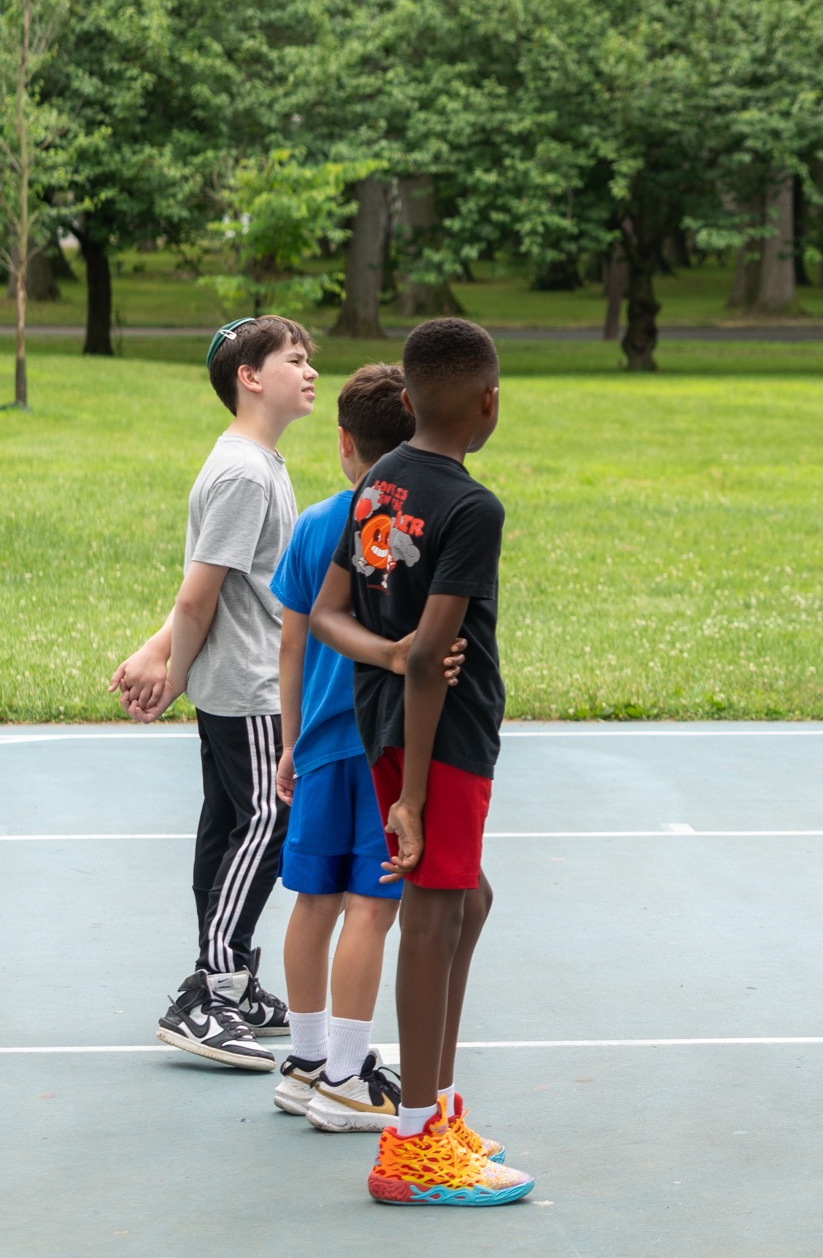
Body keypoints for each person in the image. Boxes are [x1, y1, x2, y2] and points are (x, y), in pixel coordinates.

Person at [310, 318, 532, 1207]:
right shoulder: (473, 507)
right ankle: (410, 1149)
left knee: (467, 898)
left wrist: (389, 654)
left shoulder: (375, 482)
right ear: (488, 404)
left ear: (403, 401)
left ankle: (434, 1109)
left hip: (387, 727)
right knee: (435, 913)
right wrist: (411, 800)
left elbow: (327, 616)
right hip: (442, 737)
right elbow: (436, 653)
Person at [113, 316, 315, 1071]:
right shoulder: (243, 472)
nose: (309, 371)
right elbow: (200, 597)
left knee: (232, 822)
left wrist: (160, 653)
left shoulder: (256, 462)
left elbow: (213, 586)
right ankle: (213, 989)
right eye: (293, 359)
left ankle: (228, 980)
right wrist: (169, 671)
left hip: (241, 680)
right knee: (271, 817)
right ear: (249, 377)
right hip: (254, 686)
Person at [269, 363, 466, 1133]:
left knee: (312, 901)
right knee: (370, 909)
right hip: (377, 740)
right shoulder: (409, 529)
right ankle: (347, 1078)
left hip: (317, 743)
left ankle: (306, 1060)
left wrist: (290, 741)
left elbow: (291, 644)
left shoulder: (318, 522)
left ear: (345, 443)